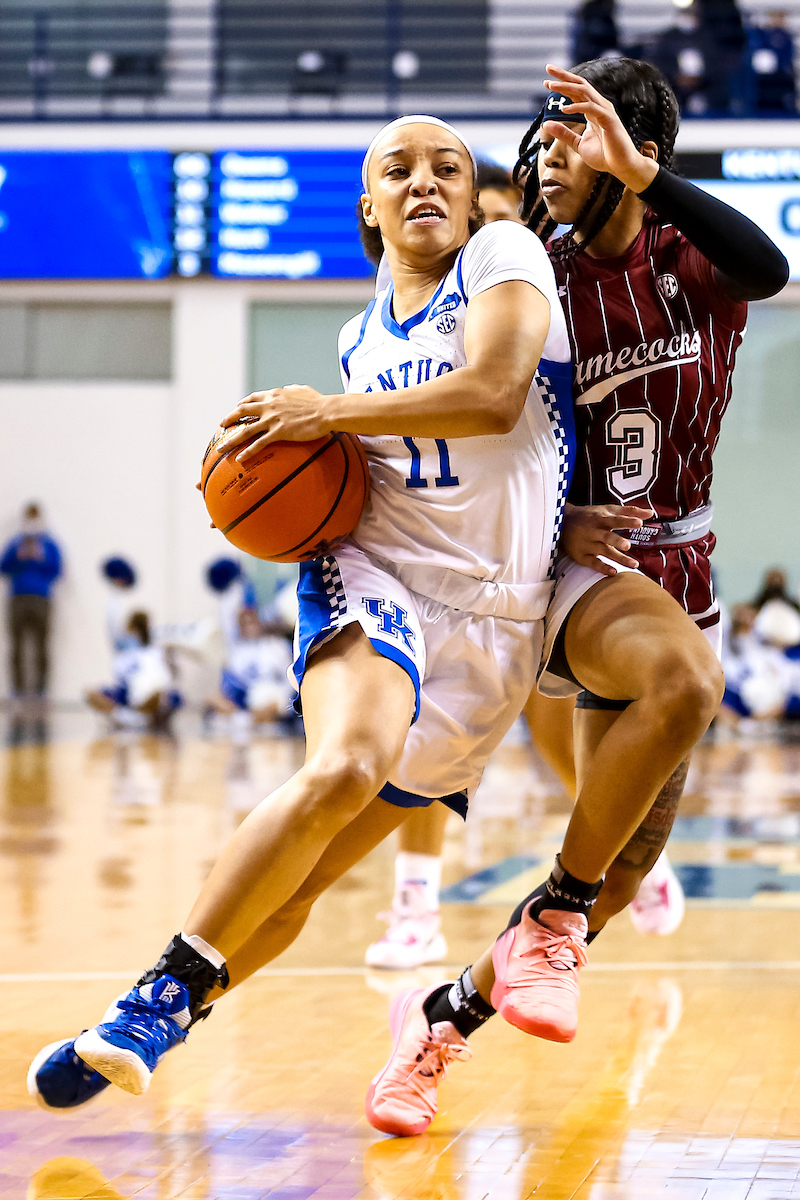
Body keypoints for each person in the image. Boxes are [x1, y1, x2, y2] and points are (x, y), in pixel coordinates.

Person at [28, 112, 582, 1111]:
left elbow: (499, 395)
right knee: (343, 763)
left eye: (446, 168)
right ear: (366, 206)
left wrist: (324, 413)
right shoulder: (358, 336)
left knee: (308, 879)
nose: (424, 182)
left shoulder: (505, 253)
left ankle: (168, 1007)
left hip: (499, 626)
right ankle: (149, 1003)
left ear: (471, 197)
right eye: (397, 170)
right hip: (379, 571)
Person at [364, 56, 788, 1136]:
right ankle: (519, 917)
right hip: (570, 572)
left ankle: (443, 1021)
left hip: (682, 569)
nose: (544, 162)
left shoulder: (688, 260)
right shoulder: (534, 277)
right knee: (688, 689)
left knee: (606, 875)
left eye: (568, 144)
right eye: (541, 142)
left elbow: (769, 265)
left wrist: (649, 176)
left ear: (626, 155)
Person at [364, 159, 576, 972]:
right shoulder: (388, 328)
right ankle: (415, 903)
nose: (483, 232)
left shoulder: (533, 298)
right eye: (475, 217)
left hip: (540, 554)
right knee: (419, 735)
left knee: (556, 738)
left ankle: (628, 847)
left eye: (499, 220)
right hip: (446, 565)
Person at [0, 502, 62, 698]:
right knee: (16, 644)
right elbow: (3, 567)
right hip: (18, 598)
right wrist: (17, 557)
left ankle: (41, 690)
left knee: (41, 644)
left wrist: (40, 557)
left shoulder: (49, 544)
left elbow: (57, 570)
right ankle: (17, 689)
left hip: (41, 598)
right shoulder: (16, 543)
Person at [86, 611, 182, 733]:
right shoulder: (124, 647)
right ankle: (132, 716)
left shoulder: (156, 648)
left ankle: (135, 716)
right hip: (127, 693)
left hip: (149, 693)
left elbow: (168, 676)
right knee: (93, 693)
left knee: (168, 697)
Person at [204, 606, 294, 733]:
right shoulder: (234, 653)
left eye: (252, 622)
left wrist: (282, 701)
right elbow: (229, 687)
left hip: (274, 699)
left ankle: (246, 720)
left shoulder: (278, 647)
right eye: (244, 623)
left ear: (260, 622)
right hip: (246, 702)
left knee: (270, 707)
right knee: (212, 701)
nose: (249, 627)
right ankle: (245, 719)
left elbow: (291, 680)